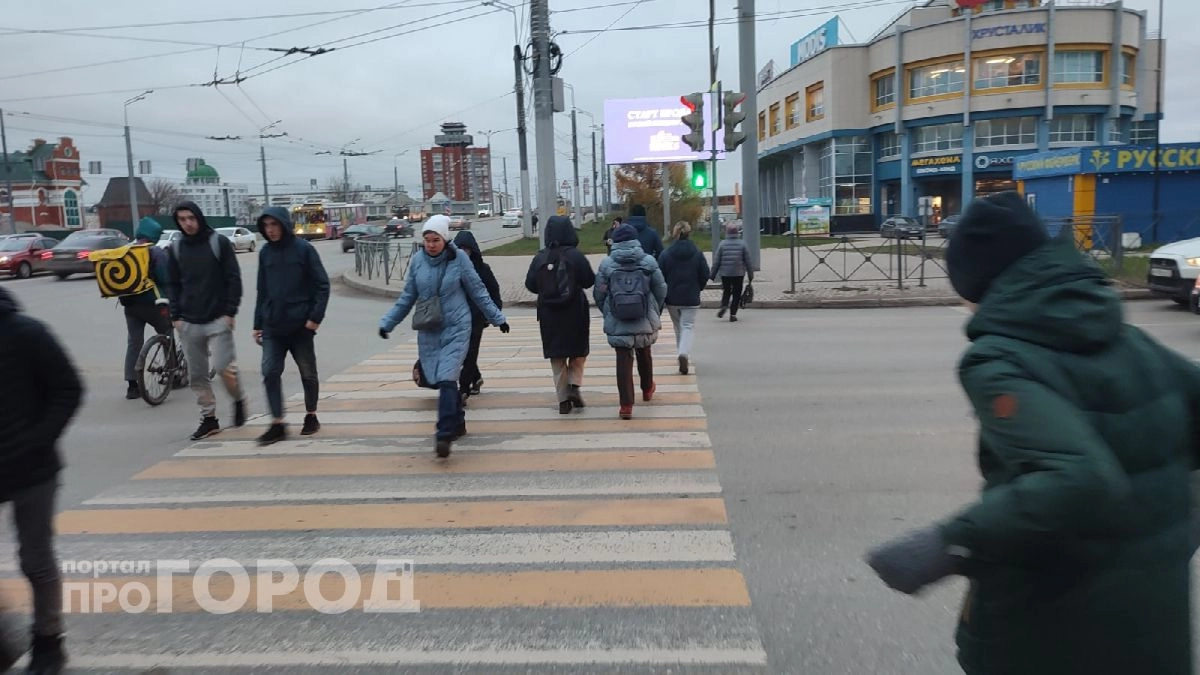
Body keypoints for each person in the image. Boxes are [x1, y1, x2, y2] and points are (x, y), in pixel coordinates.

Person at [865, 191, 1199, 675]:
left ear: (977, 280)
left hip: (1048, 625)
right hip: (1154, 626)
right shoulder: (1127, 337)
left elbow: (1079, 476)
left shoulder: (999, 359)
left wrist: (948, 544)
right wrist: (1175, 527)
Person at [0, 286, 83, 674]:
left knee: (35, 560)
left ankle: (49, 642)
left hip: (32, 469)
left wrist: (36, 440)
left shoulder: (26, 332)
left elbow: (69, 388)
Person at [379, 215, 510, 458]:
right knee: (440, 379)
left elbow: (478, 290)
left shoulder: (459, 259)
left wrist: (497, 317)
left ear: (444, 239)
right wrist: (388, 322)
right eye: (427, 240)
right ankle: (458, 420)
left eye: (435, 239)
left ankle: (443, 433)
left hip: (457, 328)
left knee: (448, 377)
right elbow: (407, 296)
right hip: (429, 329)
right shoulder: (418, 261)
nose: (430, 244)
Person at [164, 201, 248, 441]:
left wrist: (230, 312)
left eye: (191, 218)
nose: (187, 223)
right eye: (181, 220)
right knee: (197, 375)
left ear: (199, 217)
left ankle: (238, 398)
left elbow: (234, 279)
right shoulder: (177, 248)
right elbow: (172, 284)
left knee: (224, 368)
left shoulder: (217, 243)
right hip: (189, 322)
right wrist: (176, 316)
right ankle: (209, 419)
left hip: (218, 319)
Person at [252, 207, 331, 446]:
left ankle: (311, 415)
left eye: (274, 225)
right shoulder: (265, 252)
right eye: (266, 226)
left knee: (308, 373)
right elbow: (262, 291)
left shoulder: (304, 250)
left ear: (284, 225)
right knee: (269, 372)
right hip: (273, 326)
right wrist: (258, 324)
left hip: (300, 327)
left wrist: (314, 319)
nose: (270, 230)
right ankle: (277, 423)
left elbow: (322, 286)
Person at [594, 222, 667, 420]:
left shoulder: (607, 264)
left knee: (623, 359)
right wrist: (655, 310)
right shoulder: (648, 262)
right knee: (644, 352)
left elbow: (598, 294)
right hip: (643, 316)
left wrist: (608, 311)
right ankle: (647, 389)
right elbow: (661, 289)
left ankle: (626, 405)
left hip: (618, 317)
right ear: (636, 240)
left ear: (615, 241)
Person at [525, 215, 596, 414]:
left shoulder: (540, 257)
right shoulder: (576, 256)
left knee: (557, 358)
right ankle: (574, 385)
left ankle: (563, 400)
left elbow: (530, 285)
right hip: (575, 312)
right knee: (578, 352)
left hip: (549, 315)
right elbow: (589, 280)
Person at [121, 217, 173, 399]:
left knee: (134, 342)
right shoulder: (155, 252)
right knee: (168, 334)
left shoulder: (126, 250)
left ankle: (132, 386)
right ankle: (172, 375)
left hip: (130, 305)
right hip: (154, 304)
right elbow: (166, 278)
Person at [453, 230, 502, 400]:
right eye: (461, 248)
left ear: (473, 249)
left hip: (476, 318)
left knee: (470, 353)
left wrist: (495, 314)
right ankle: (476, 377)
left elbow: (493, 291)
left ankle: (464, 389)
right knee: (463, 354)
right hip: (456, 319)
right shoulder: (451, 267)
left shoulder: (482, 269)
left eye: (467, 249)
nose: (464, 252)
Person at [658, 221, 710, 375]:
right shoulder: (697, 252)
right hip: (691, 297)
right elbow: (705, 274)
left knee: (678, 327)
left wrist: (664, 293)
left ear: (675, 234)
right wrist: (698, 288)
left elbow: (660, 276)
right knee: (687, 326)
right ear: (689, 233)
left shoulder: (666, 254)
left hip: (672, 298)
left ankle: (681, 353)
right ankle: (683, 353)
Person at [710, 221, 753, 322]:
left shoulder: (722, 244)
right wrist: (751, 275)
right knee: (736, 294)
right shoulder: (742, 244)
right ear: (737, 232)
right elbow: (748, 261)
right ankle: (733, 315)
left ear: (727, 233)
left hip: (725, 274)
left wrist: (712, 275)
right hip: (739, 274)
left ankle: (724, 305)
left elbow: (717, 261)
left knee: (726, 291)